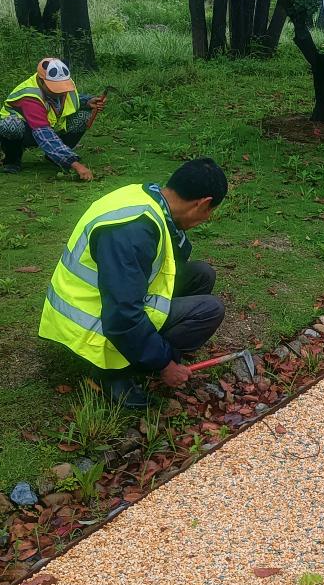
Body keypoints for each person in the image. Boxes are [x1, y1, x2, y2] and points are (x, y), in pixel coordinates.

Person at [39, 159, 228, 408]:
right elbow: (122, 316)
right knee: (210, 309)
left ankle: (147, 348)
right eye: (210, 211)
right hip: (93, 323)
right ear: (202, 203)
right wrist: (164, 363)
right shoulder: (132, 232)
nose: (207, 218)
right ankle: (114, 373)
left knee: (202, 274)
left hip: (106, 298)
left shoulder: (147, 198)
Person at [0, 58, 105, 178]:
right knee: (10, 125)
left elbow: (68, 99)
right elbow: (44, 134)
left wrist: (87, 101)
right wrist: (74, 164)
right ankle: (12, 160)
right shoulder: (30, 96)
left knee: (84, 116)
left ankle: (54, 157)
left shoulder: (65, 82)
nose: (59, 92)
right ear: (41, 81)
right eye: (55, 88)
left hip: (52, 126)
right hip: (27, 132)